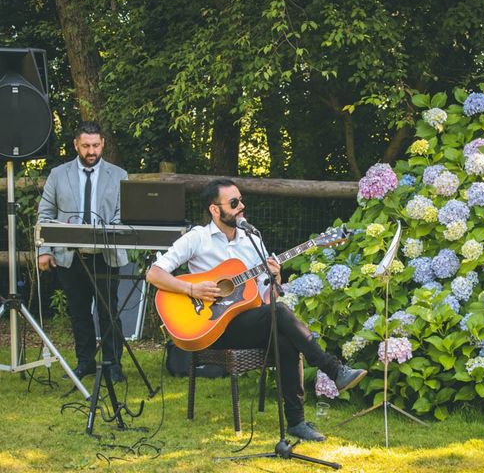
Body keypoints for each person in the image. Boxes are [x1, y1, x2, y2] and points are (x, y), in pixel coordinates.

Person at [146, 179, 367, 442]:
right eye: (234, 202)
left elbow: (267, 297)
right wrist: (192, 290)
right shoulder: (198, 238)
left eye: (241, 200)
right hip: (212, 326)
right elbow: (154, 274)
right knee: (282, 314)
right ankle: (333, 370)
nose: (241, 206)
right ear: (215, 210)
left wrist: (275, 277)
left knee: (284, 336)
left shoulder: (251, 239)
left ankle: (296, 422)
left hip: (246, 322)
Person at [37, 121, 128, 383]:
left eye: (96, 145)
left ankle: (112, 364)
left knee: (108, 311)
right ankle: (85, 362)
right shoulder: (58, 174)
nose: (91, 151)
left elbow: (124, 215)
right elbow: (45, 214)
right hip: (70, 255)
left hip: (106, 255)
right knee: (78, 312)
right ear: (76, 144)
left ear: (103, 144)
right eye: (86, 145)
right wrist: (44, 249)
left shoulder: (119, 175)